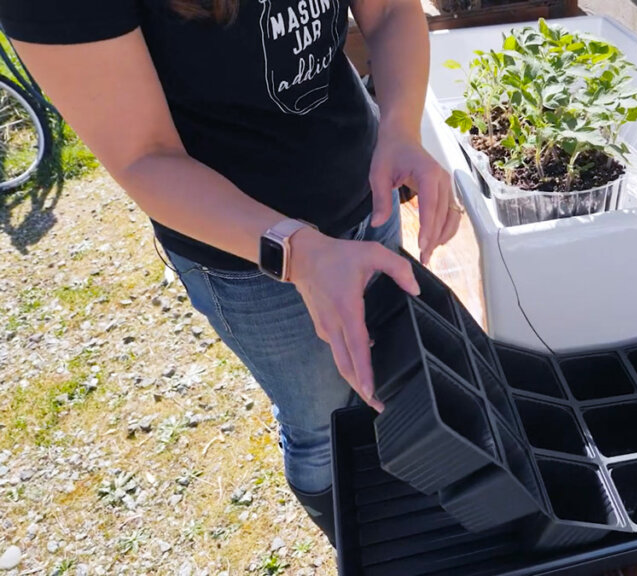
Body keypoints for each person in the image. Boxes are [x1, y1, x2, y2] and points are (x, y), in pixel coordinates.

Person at [0, 0, 461, 545]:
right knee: (321, 428)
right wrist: (301, 253)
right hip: (250, 262)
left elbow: (387, 14)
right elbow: (143, 157)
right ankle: (362, 539)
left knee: (383, 382)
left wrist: (401, 129)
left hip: (366, 188)